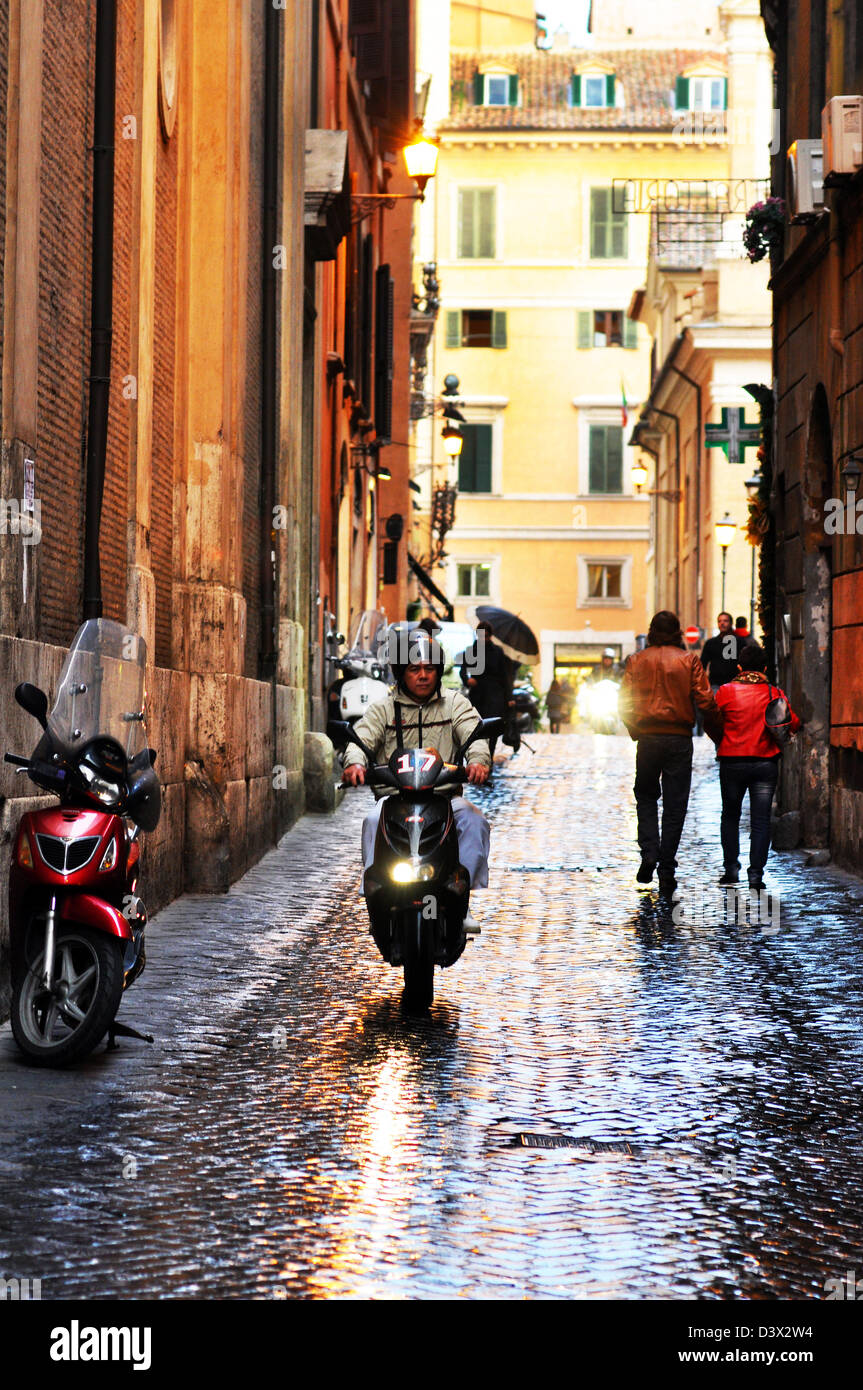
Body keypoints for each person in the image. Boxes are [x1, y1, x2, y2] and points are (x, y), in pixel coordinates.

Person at [343, 630, 491, 930]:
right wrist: (355, 763)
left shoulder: (455, 704)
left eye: (429, 669)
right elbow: (361, 739)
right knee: (373, 821)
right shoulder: (383, 708)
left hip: (444, 797)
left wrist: (478, 761)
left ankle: (463, 898)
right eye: (414, 669)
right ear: (402, 673)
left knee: (474, 820)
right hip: (396, 798)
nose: (423, 675)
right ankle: (374, 895)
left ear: (438, 672)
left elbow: (474, 734)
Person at [619, 610, 720, 895]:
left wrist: (635, 730)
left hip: (648, 739)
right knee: (675, 806)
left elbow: (624, 702)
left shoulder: (637, 660)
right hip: (678, 739)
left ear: (651, 632)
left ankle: (649, 851)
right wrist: (715, 730)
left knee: (646, 797)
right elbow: (706, 700)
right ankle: (666, 868)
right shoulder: (689, 660)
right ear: (677, 632)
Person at [714, 642, 801, 890]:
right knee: (761, 820)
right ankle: (756, 875)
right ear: (764, 667)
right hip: (765, 763)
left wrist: (723, 739)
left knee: (730, 815)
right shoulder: (774, 693)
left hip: (732, 761)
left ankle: (731, 869)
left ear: (739, 667)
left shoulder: (725, 691)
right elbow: (792, 723)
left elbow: (713, 720)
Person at [460, 620, 518, 760]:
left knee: (492, 727)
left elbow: (505, 676)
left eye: (486, 636)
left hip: (495, 694)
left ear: (490, 636)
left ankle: (488, 757)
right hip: (478, 694)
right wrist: (468, 680)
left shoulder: (497, 651)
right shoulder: (471, 651)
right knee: (478, 726)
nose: (484, 639)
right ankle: (478, 756)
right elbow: (463, 670)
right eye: (481, 636)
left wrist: (509, 697)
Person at [701, 612, 749, 689]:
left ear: (731, 623)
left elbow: (745, 663)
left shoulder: (740, 642)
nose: (722, 623)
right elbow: (703, 664)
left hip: (735, 684)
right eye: (719, 621)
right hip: (715, 683)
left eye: (725, 621)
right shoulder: (710, 643)